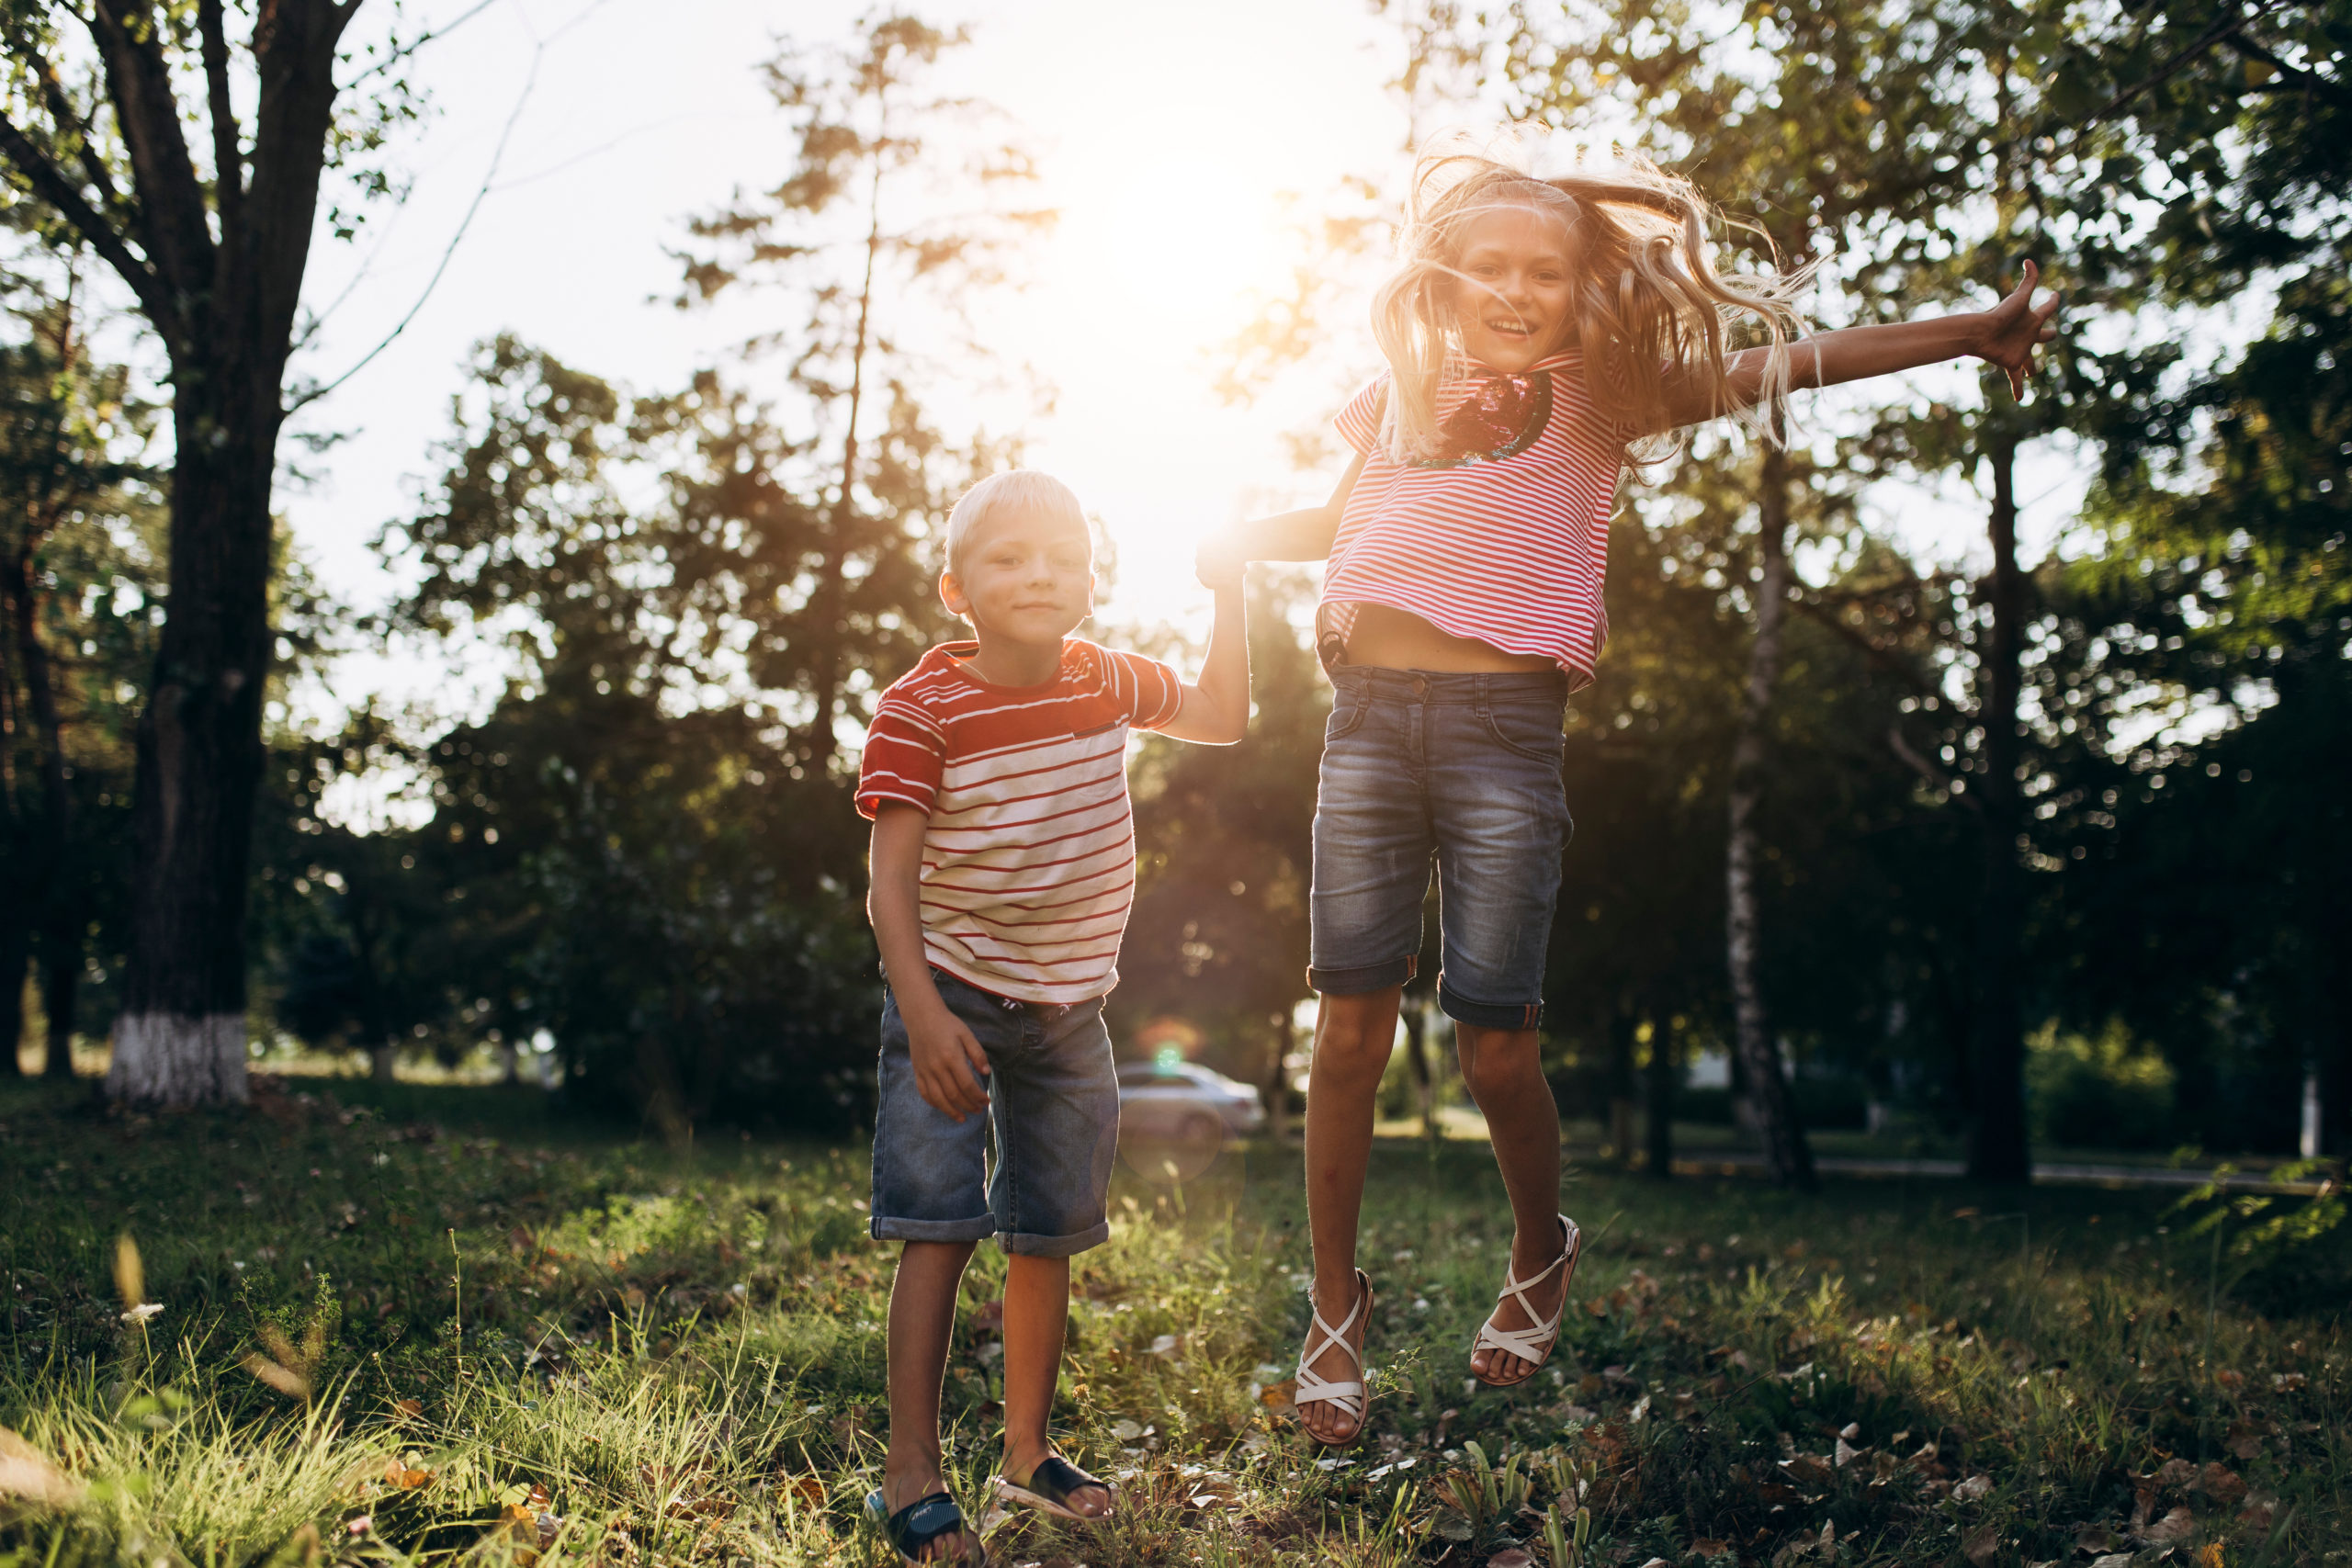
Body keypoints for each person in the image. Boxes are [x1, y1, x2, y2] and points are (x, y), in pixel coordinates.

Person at [1198, 139, 2061, 1446]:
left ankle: (1539, 1246)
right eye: (1487, 266)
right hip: (1365, 723)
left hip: (1504, 733)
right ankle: (1334, 1306)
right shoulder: (1396, 396)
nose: (1513, 289)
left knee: (1495, 1044)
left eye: (1543, 272)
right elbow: (1343, 523)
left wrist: (1967, 332)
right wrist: (1235, 540)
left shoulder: (1602, 399)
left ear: (1583, 288)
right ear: (1441, 279)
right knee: (1347, 1036)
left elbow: (1792, 361)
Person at [856, 469, 1251, 1563]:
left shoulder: (1103, 677)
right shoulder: (921, 711)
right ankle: (911, 1471)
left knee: (1050, 1229)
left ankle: (1026, 1453)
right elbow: (888, 884)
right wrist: (923, 1015)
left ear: (1091, 578)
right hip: (952, 996)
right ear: (956, 591)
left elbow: (1222, 715)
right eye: (1009, 559)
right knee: (938, 1228)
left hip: (1072, 1011)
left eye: (1064, 559)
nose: (1041, 576)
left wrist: (1231, 589)